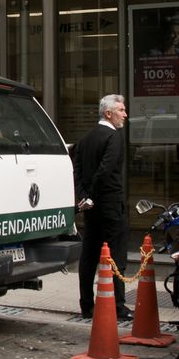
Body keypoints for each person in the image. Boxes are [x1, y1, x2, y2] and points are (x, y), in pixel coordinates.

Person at [73, 93, 132, 322]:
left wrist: (84, 197)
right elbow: (105, 171)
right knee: (116, 255)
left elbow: (77, 172)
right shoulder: (114, 137)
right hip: (109, 204)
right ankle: (118, 306)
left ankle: (87, 305)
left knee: (89, 256)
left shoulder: (85, 139)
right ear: (108, 113)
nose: (125, 114)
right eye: (121, 110)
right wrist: (91, 195)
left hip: (91, 207)